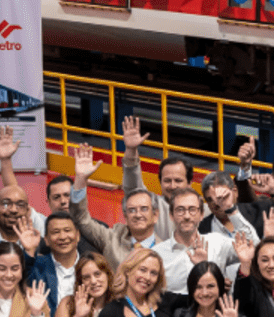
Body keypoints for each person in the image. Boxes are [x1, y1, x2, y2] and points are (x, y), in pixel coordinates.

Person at [69, 142, 163, 272]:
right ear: (125, 216)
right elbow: (80, 219)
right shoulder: (111, 238)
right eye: (132, 210)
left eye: (144, 209)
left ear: (155, 215)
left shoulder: (166, 251)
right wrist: (80, 179)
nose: (138, 214)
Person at [119, 115, 203, 240]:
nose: (172, 186)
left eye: (178, 180)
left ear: (189, 183)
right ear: (160, 182)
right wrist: (131, 151)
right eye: (167, 181)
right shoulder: (153, 206)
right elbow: (133, 188)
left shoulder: (204, 210)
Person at [154, 187, 236, 294]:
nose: (187, 216)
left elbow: (253, 251)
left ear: (201, 214)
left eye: (192, 209)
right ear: (171, 215)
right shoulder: (157, 254)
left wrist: (233, 211)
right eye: (180, 210)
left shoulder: (218, 242)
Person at [199, 170, 263, 243]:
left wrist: (231, 210)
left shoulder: (257, 214)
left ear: (235, 192)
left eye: (220, 196)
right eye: (210, 199)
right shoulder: (201, 229)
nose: (216, 203)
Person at [41, 211, 84, 304]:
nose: (63, 237)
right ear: (46, 240)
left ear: (78, 236)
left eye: (67, 230)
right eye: (56, 232)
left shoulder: (92, 266)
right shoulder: (37, 267)